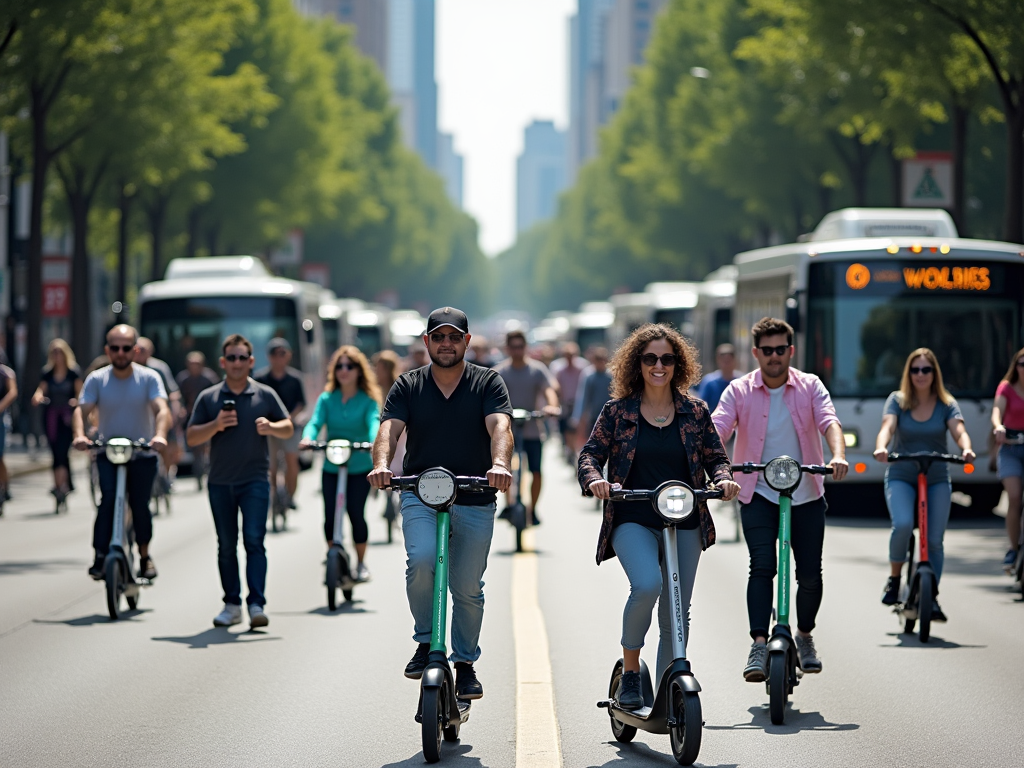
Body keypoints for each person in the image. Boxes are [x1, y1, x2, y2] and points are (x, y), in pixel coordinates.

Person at [578, 324, 740, 710]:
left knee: (677, 607)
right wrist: (597, 480)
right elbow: (588, 455)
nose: (659, 365)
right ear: (637, 363)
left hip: (685, 518)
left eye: (667, 358)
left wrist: (724, 479)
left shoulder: (696, 410)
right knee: (648, 584)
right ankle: (631, 674)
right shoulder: (618, 412)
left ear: (677, 364)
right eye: (650, 358)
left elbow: (716, 458)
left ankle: (670, 681)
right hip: (632, 514)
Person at [368, 306, 513, 701]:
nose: (446, 344)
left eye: (454, 337)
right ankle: (425, 641)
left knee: (467, 588)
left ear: (466, 342)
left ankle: (465, 664)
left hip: (475, 495)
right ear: (426, 341)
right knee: (422, 561)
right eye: (438, 336)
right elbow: (388, 430)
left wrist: (499, 463)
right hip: (421, 494)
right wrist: (381, 465)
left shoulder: (488, 382)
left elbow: (500, 425)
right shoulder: (407, 385)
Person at [712, 317, 848, 682]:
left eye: (781, 350)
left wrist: (837, 455)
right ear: (755, 353)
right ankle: (759, 642)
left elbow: (829, 421)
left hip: (805, 492)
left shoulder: (810, 385)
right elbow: (718, 428)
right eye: (767, 351)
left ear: (791, 350)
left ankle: (804, 636)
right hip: (757, 490)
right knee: (762, 566)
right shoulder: (739, 390)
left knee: (810, 574)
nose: (774, 357)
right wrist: (707, 463)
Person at [187, 334, 293, 629]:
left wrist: (271, 426)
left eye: (241, 358)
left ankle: (256, 603)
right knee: (226, 544)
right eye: (230, 358)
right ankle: (231, 604)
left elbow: (287, 427)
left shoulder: (264, 394)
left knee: (254, 541)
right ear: (223, 362)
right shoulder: (209, 397)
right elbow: (191, 436)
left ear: (251, 361)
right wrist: (216, 425)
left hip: (255, 480)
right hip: (220, 481)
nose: (236, 363)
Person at [874, 349, 974, 617]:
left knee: (934, 541)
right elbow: (887, 426)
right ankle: (895, 580)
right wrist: (881, 446)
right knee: (903, 525)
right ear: (909, 373)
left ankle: (932, 596)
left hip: (936, 478)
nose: (920, 375)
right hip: (902, 476)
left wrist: (966, 448)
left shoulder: (946, 403)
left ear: (934, 374)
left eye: (926, 370)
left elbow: (959, 430)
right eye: (915, 370)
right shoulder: (897, 400)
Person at [72, 325, 171, 580]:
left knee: (140, 506)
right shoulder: (97, 379)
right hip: (108, 451)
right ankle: (100, 555)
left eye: (126, 348)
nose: (120, 353)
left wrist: (159, 435)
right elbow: (81, 411)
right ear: (107, 350)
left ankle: (145, 556)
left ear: (135, 350)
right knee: (107, 503)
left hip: (141, 452)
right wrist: (80, 435)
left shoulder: (149, 378)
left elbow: (161, 409)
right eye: (114, 348)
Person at [300, 346, 381, 582]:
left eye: (349, 366)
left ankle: (361, 563)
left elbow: (373, 421)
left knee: (356, 514)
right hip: (332, 466)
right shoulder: (327, 399)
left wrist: (373, 441)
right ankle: (333, 551)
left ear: (359, 371)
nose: (344, 371)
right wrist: (308, 438)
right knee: (330, 515)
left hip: (358, 466)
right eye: (339, 366)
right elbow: (315, 422)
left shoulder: (367, 400)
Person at [493, 330, 560, 525]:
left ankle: (533, 509)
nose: (517, 351)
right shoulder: (500, 372)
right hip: (508, 430)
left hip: (532, 428)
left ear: (526, 347)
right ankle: (509, 503)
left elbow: (549, 389)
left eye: (520, 347)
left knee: (536, 471)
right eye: (513, 347)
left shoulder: (537, 370)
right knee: (506, 469)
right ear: (507, 349)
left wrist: (551, 405)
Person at [255, 338, 307, 508]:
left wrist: (290, 418)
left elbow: (301, 403)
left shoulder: (295, 378)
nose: (279, 358)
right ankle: (273, 496)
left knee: (292, 461)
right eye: (275, 354)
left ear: (289, 356)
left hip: (290, 427)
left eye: (282, 353)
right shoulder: (260, 378)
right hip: (268, 427)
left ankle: (290, 496)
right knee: (270, 465)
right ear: (269, 357)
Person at [32, 339, 83, 502]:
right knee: (54, 452)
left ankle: (63, 484)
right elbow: (41, 390)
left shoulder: (73, 372)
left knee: (63, 451)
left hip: (67, 417)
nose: (57, 355)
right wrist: (38, 397)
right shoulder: (47, 373)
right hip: (51, 417)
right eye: (54, 352)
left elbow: (80, 393)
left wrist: (76, 401)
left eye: (59, 352)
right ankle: (57, 485)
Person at [992, 347, 1024, 570]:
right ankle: (1013, 549)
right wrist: (999, 426)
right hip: (1011, 449)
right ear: (1016, 367)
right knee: (1014, 497)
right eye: (1022, 364)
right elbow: (996, 412)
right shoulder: (1006, 388)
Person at [135, 337, 183, 481]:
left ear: (150, 351)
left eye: (143, 350)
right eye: (137, 349)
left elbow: (173, 392)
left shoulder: (159, 368)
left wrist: (175, 411)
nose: (139, 353)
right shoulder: (128, 369)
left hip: (158, 413)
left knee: (166, 444)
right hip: (138, 414)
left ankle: (166, 476)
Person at [549, 342, 587, 462]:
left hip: (578, 403)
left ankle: (576, 451)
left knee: (576, 428)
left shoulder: (583, 367)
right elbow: (556, 386)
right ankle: (569, 449)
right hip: (565, 403)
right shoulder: (559, 369)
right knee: (566, 428)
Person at [573, 347, 613, 450]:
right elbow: (583, 398)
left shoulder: (611, 376)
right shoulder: (589, 376)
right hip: (594, 417)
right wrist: (579, 417)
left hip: (610, 416)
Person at [694, 343, 739, 413]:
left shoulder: (741, 382)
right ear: (718, 360)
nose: (726, 364)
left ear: (734, 360)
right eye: (724, 361)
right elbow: (702, 406)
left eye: (729, 360)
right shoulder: (709, 382)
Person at [0, 359, 18, 505]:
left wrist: (0, 407)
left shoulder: (6, 373)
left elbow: (12, 392)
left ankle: (5, 488)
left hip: (1, 418)